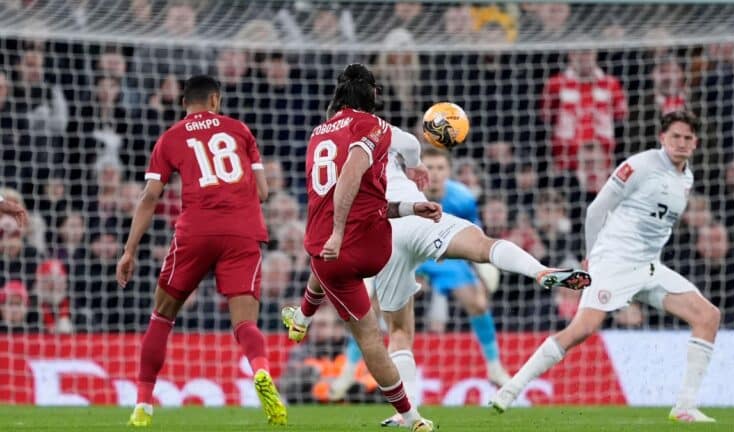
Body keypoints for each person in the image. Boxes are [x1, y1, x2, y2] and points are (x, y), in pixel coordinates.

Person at [310, 129, 590, 427]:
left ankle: (487, 371)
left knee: (473, 302)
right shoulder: (400, 172)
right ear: (417, 168)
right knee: (374, 308)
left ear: (449, 172)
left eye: (442, 168)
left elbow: (473, 226)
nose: (436, 173)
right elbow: (475, 239)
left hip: (407, 242)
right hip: (422, 235)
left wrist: (481, 274)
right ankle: (350, 370)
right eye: (431, 167)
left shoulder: (459, 196)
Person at [491, 110, 721, 423]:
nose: (681, 142)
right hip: (614, 260)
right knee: (581, 330)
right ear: (662, 138)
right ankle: (511, 389)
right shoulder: (640, 166)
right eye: (675, 136)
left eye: (687, 138)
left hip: (648, 267)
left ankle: (684, 407)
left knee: (708, 316)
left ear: (695, 144)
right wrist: (591, 255)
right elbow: (596, 209)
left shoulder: (687, 177)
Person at [115, 75, 285, 427]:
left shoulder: (171, 137)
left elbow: (150, 197)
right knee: (245, 323)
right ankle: (262, 372)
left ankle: (143, 406)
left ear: (183, 104)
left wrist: (129, 250)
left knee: (162, 315)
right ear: (214, 99)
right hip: (243, 231)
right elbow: (264, 192)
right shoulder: (240, 130)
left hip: (195, 231)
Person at [282, 64, 439, 432]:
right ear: (374, 94)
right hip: (372, 244)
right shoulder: (375, 126)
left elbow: (346, 181)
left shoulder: (318, 133)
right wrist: (411, 202)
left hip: (329, 253)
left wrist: (335, 232)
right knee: (374, 321)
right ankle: (301, 319)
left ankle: (412, 418)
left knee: (369, 337)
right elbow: (358, 175)